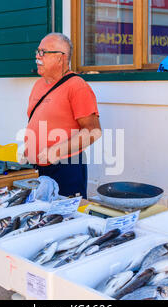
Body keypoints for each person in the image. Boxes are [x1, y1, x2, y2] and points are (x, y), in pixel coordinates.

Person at [22, 33, 101, 199]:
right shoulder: (38, 85)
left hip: (65, 168)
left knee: (63, 219)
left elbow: (93, 132)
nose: (37, 56)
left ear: (60, 58)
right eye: (37, 51)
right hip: (36, 167)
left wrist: (57, 151)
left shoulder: (77, 86)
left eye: (43, 52)